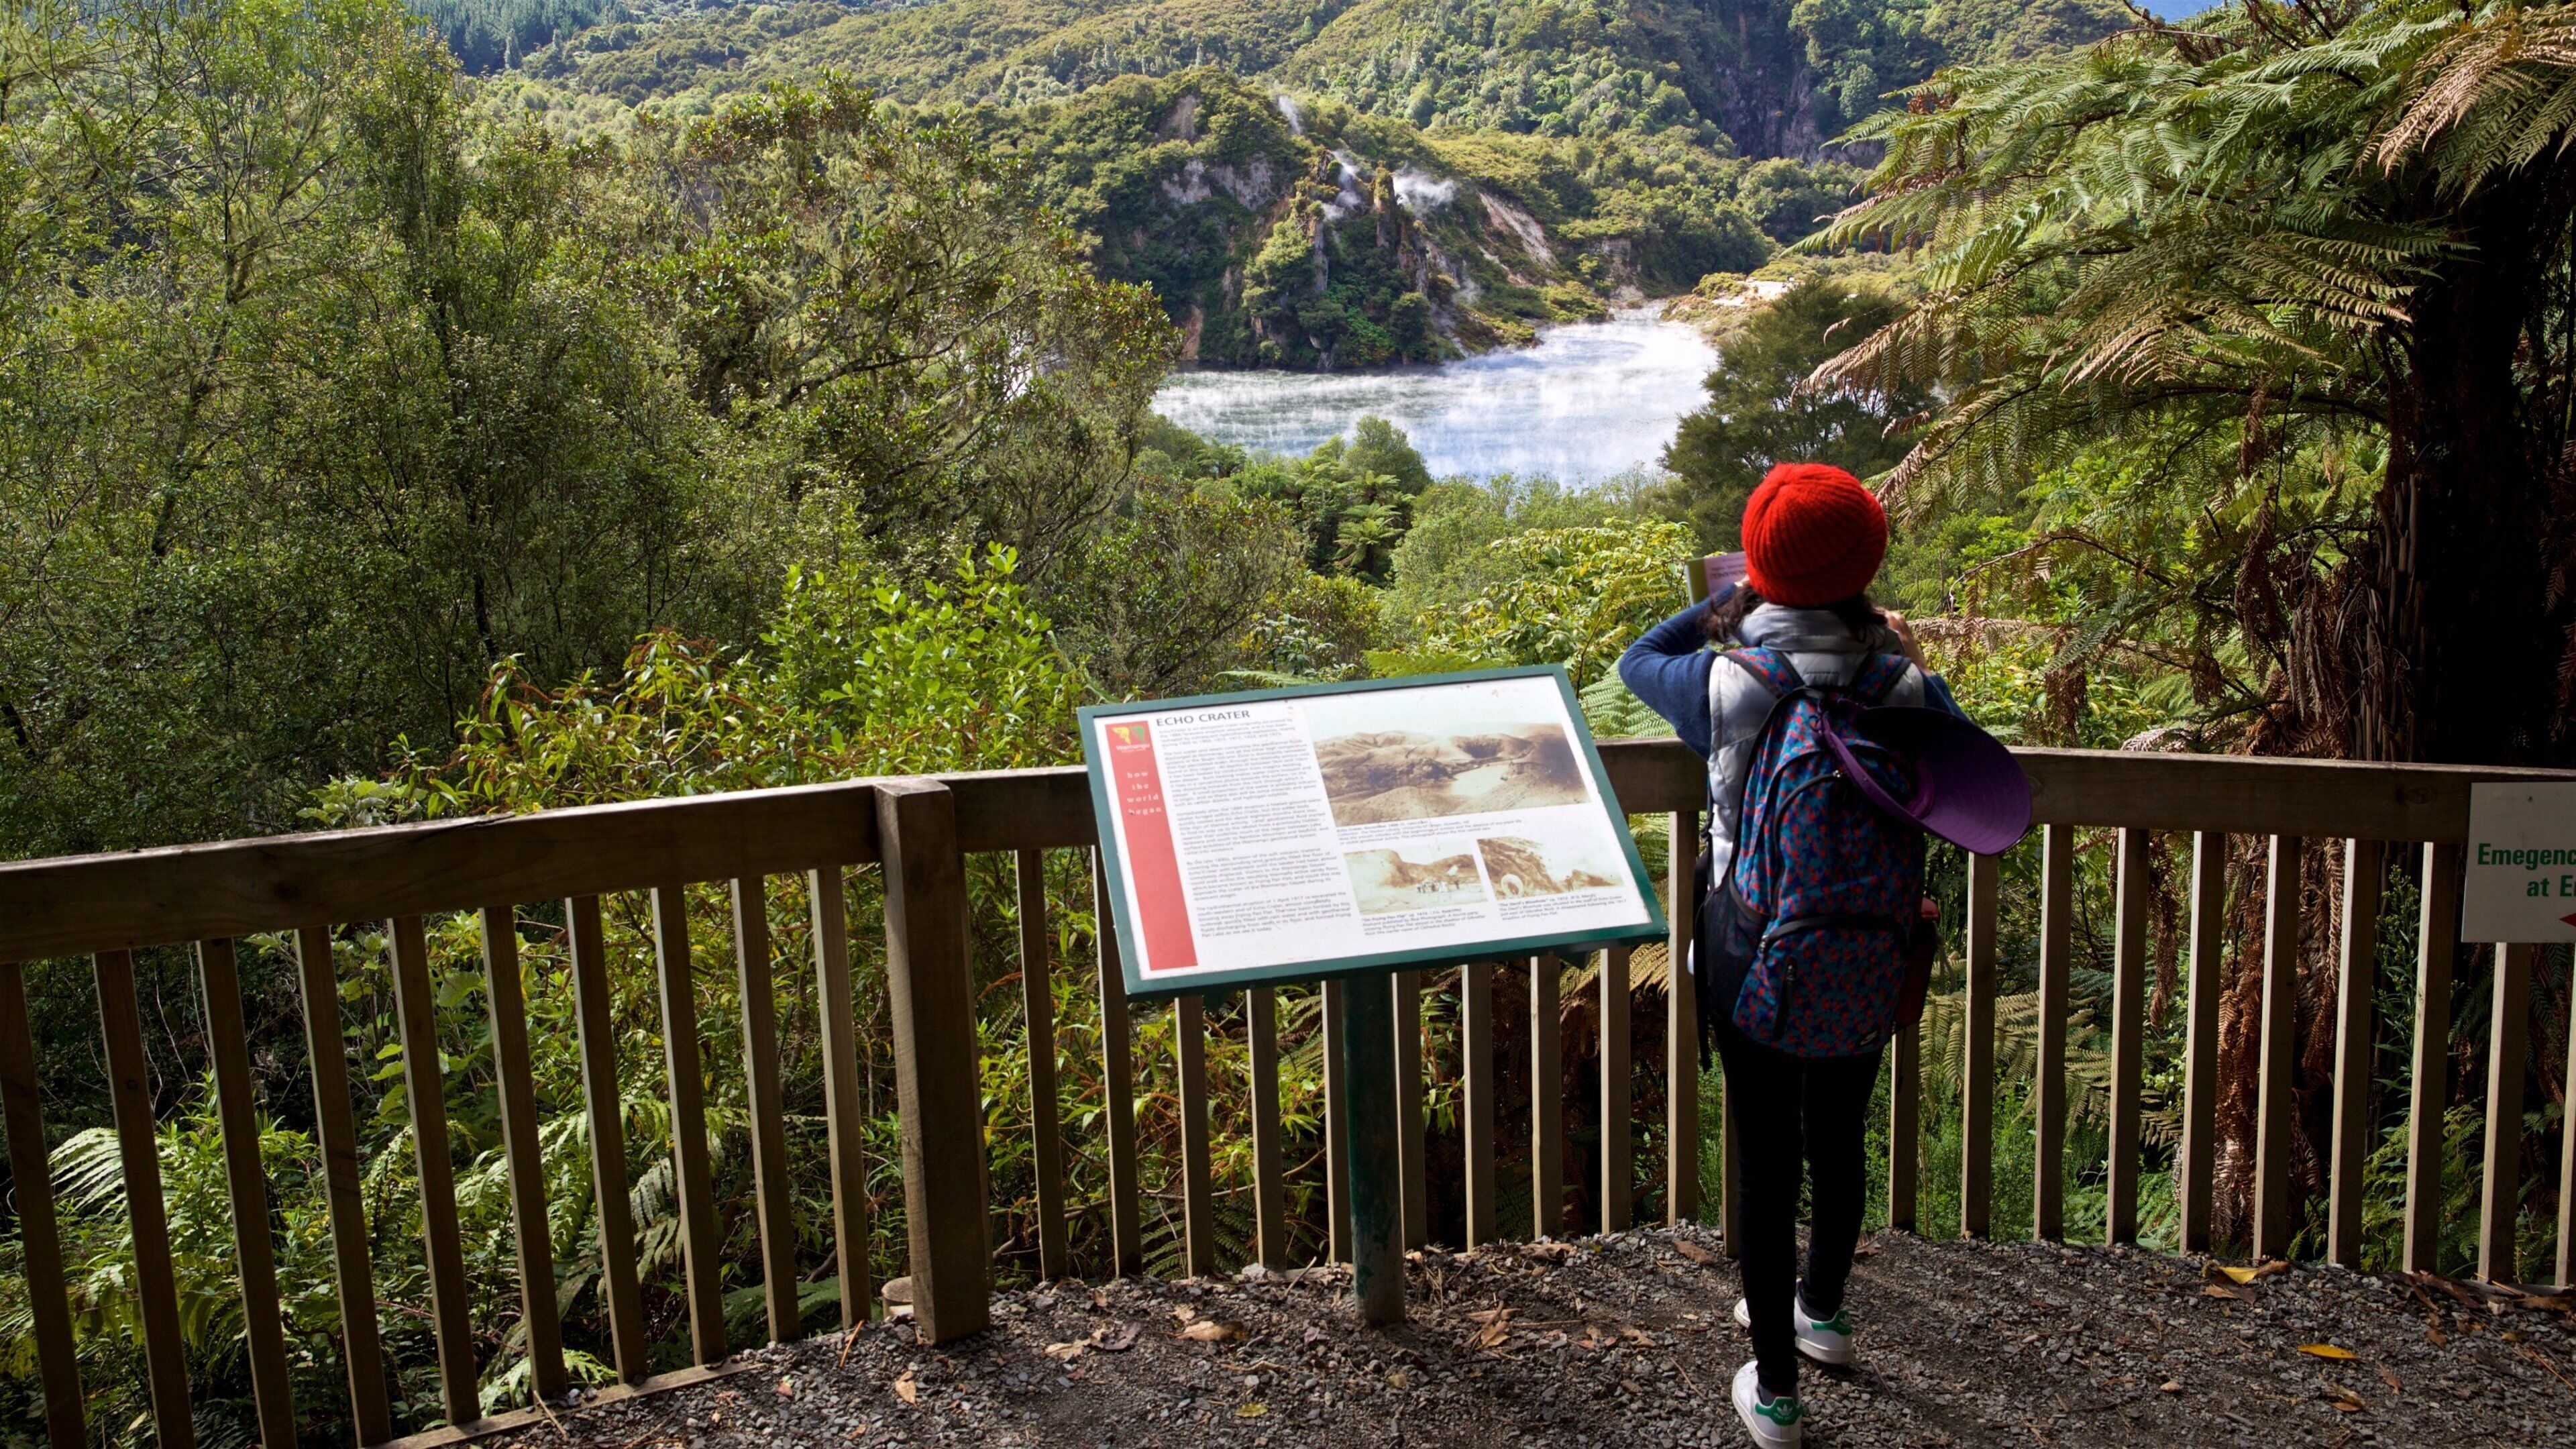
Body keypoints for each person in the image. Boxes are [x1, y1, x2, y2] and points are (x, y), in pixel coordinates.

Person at [1616, 462, 1966, 1447]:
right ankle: (1824, 1311)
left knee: (1766, 1161)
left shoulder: (1729, 679)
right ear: (1870, 560)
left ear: (1760, 567)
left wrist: (1726, 604)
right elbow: (1965, 776)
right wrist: (1889, 634)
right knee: (1839, 1134)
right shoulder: (1902, 681)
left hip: (1748, 943)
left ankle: (1774, 1393)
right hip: (1867, 947)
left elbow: (1637, 661)